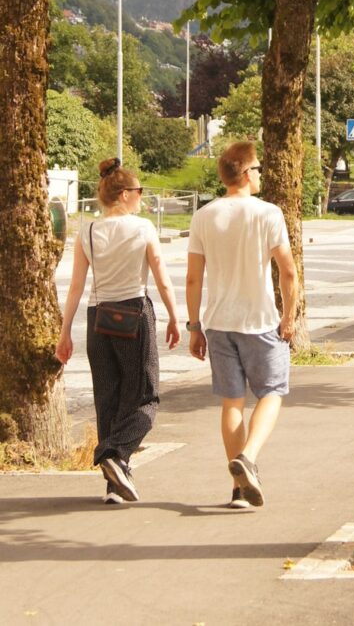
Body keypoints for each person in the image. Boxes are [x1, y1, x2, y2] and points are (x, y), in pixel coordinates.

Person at [55, 158, 181, 504]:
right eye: (139, 191)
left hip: (99, 319)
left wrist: (65, 332)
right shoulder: (142, 228)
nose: (142, 197)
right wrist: (174, 317)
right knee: (144, 396)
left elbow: (76, 286)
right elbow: (161, 278)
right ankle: (115, 451)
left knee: (107, 399)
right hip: (133, 314)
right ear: (124, 194)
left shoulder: (89, 231)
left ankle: (115, 484)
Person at [186, 141, 297, 509]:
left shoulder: (204, 215)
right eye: (259, 168)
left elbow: (192, 279)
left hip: (218, 323)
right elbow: (288, 272)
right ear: (247, 174)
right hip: (260, 320)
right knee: (271, 392)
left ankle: (238, 491)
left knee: (231, 403)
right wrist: (289, 317)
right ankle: (248, 458)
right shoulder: (268, 213)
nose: (261, 174)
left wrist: (194, 325)